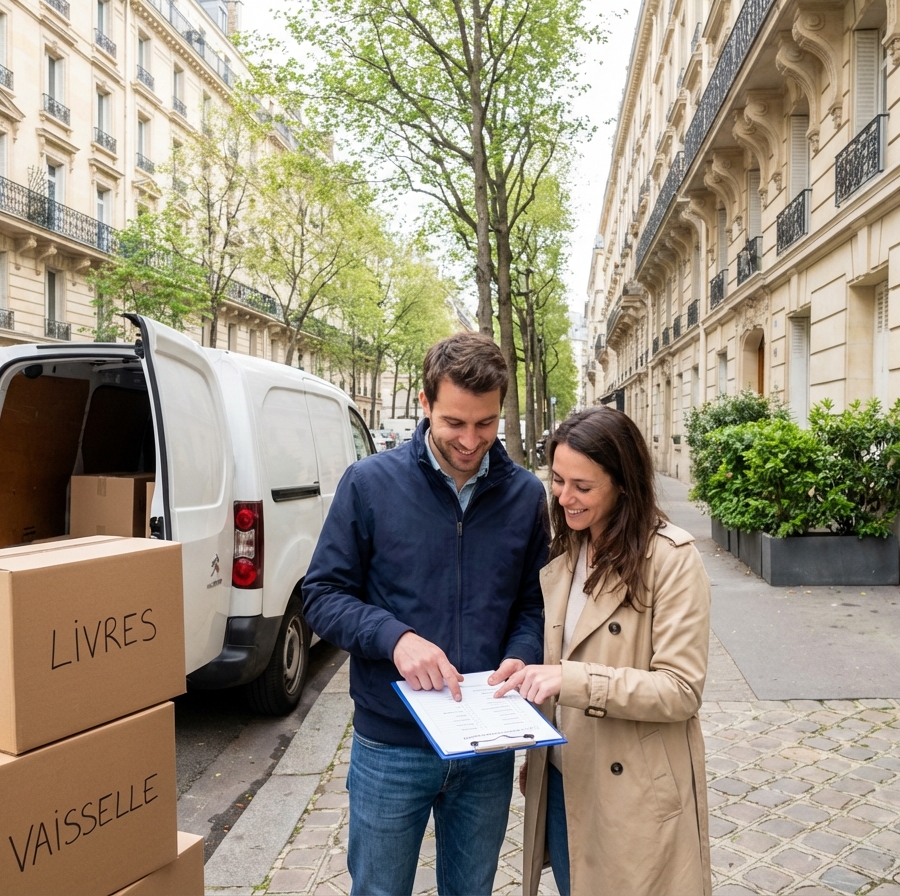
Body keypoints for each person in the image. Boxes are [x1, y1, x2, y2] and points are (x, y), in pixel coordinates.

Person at [303, 333, 549, 896]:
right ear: (424, 403)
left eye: (485, 424)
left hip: (487, 744)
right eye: (454, 422)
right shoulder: (369, 483)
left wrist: (521, 652)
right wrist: (395, 639)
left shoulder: (525, 496)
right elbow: (321, 594)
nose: (470, 440)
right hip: (391, 744)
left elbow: (533, 604)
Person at [495, 406, 713, 896]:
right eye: (558, 481)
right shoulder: (568, 550)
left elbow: (681, 690)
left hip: (633, 785)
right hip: (564, 773)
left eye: (583, 487)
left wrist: (568, 680)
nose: (565, 498)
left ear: (622, 483)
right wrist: (539, 739)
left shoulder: (672, 559)